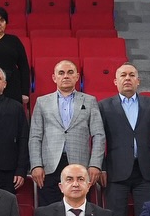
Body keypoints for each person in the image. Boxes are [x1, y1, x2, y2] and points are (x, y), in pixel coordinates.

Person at [98, 63, 150, 216]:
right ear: (115, 81)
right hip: (115, 173)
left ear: (138, 81)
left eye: (132, 75)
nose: (127, 78)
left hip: (146, 172)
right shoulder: (104, 106)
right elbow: (99, 139)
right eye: (123, 75)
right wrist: (102, 168)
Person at [27, 59, 104, 206]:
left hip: (80, 166)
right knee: (49, 212)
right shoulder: (42, 102)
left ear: (77, 76)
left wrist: (95, 164)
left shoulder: (89, 101)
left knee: (78, 210)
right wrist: (36, 165)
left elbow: (99, 135)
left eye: (70, 72)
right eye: (61, 73)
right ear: (54, 77)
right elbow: (35, 136)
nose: (66, 76)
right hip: (49, 167)